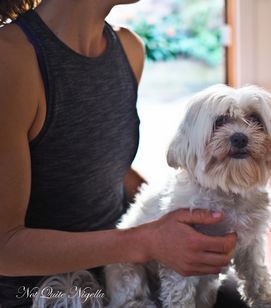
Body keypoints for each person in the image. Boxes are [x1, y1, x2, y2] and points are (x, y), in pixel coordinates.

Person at [0, 0, 239, 306]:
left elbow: (108, 167)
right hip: (41, 292)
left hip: (123, 266)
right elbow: (5, 247)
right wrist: (147, 240)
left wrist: (178, 219)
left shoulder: (128, 49)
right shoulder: (12, 59)